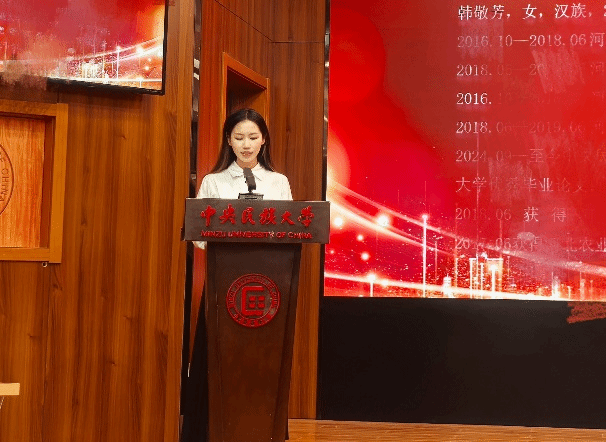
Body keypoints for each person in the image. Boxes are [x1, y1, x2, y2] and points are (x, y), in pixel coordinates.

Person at [181, 108, 292, 442]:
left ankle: (264, 429)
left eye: (253, 137)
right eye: (239, 137)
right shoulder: (213, 182)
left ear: (264, 140)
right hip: (223, 286)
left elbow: (291, 232)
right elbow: (199, 237)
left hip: (268, 287)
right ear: (228, 141)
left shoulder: (278, 182)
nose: (246, 144)